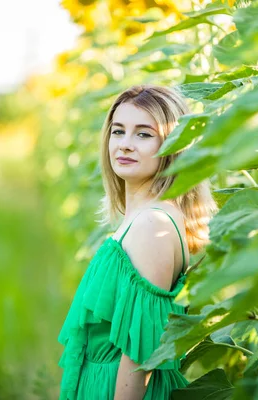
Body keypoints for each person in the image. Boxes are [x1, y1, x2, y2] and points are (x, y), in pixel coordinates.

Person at [57, 85, 218, 400]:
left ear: (173, 147)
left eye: (143, 134)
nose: (125, 145)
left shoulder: (151, 226)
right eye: (118, 132)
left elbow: (138, 359)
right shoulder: (144, 218)